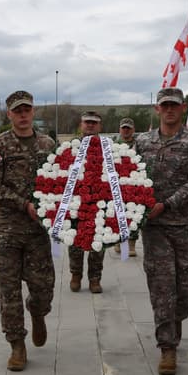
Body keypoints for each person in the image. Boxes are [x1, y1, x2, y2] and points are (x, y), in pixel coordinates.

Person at [134, 87, 188, 375]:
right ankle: (167, 346)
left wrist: (167, 204)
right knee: (162, 287)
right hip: (155, 229)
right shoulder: (142, 142)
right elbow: (128, 177)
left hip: (186, 225)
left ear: (183, 108)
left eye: (174, 105)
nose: (169, 110)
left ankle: (174, 320)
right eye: (164, 105)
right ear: (157, 109)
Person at [0, 90, 57, 371]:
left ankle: (38, 312)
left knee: (43, 288)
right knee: (8, 290)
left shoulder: (47, 144)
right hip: (7, 230)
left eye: (27, 110)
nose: (23, 115)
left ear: (33, 111)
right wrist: (23, 204)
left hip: (37, 232)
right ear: (9, 114)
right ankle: (17, 344)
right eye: (18, 111)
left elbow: (58, 180)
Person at [68, 111, 108, 293]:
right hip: (76, 200)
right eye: (87, 122)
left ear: (100, 126)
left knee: (98, 240)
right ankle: (76, 275)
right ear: (81, 125)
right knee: (74, 240)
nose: (90, 125)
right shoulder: (72, 146)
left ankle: (95, 278)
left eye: (94, 122)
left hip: (100, 200)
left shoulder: (107, 147)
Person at [115, 117, 139, 257]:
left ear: (133, 130)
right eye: (124, 128)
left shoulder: (138, 144)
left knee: (134, 213)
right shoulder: (114, 144)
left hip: (134, 184)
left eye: (128, 128)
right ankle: (117, 240)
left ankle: (131, 244)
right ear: (120, 129)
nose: (126, 131)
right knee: (117, 213)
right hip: (117, 183)